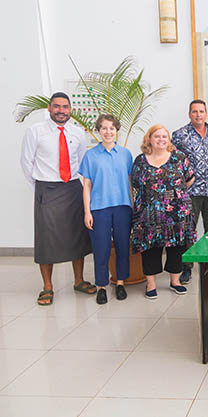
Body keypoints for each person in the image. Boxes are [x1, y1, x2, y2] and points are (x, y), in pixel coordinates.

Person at [20, 92, 94, 306]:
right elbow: (26, 163)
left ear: (70, 110)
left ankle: (79, 281)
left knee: (77, 236)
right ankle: (47, 287)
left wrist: (81, 188)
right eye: (57, 106)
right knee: (46, 240)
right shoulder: (35, 131)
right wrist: (40, 187)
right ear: (50, 108)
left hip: (72, 188)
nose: (61, 110)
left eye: (65, 107)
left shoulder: (77, 133)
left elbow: (81, 163)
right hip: (47, 188)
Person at [131, 125, 196, 299]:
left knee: (177, 246)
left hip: (177, 212)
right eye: (157, 136)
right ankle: (151, 284)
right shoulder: (140, 161)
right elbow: (136, 184)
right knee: (150, 248)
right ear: (149, 139)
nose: (161, 139)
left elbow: (189, 179)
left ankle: (175, 281)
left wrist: (175, 195)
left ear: (168, 139)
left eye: (164, 136)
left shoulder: (179, 158)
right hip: (148, 213)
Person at [79, 114, 133, 304]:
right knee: (101, 249)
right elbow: (86, 186)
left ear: (117, 130)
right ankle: (102, 285)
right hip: (99, 209)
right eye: (104, 128)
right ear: (98, 131)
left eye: (111, 128)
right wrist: (87, 212)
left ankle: (120, 283)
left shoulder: (126, 154)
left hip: (122, 208)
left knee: (122, 247)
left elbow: (128, 183)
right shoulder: (90, 156)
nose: (108, 132)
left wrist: (133, 207)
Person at [172, 99, 208, 283]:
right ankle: (187, 267)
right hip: (190, 191)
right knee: (189, 229)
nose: (198, 114)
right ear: (189, 114)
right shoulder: (179, 135)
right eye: (194, 111)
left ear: (206, 113)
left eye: (201, 111)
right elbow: (173, 160)